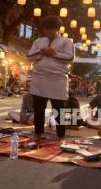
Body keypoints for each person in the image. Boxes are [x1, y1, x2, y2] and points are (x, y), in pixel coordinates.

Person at [27, 15, 74, 144]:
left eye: (51, 29)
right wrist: (42, 52)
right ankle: (37, 134)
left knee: (59, 110)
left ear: (57, 28)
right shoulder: (39, 41)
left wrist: (54, 53)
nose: (48, 31)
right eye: (46, 29)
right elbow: (29, 56)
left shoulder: (66, 41)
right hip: (39, 78)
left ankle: (61, 136)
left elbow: (70, 58)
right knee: (38, 109)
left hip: (58, 79)